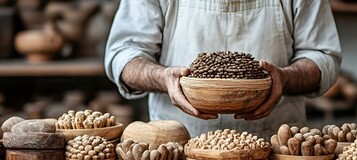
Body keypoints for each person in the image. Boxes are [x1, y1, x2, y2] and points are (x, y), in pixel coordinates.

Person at [105, 0, 341, 138]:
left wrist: (284, 79)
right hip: (178, 146)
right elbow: (123, 54)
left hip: (277, 147)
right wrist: (163, 78)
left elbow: (322, 56)